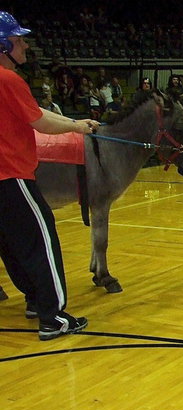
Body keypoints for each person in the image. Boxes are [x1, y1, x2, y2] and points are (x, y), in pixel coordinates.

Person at [0, 11, 99, 340]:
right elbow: (40, 122)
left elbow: (31, 112)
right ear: (3, 43)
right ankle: (53, 318)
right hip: (12, 176)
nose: (25, 45)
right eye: (19, 39)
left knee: (12, 245)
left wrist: (75, 123)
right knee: (41, 242)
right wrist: (76, 127)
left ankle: (34, 300)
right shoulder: (8, 79)